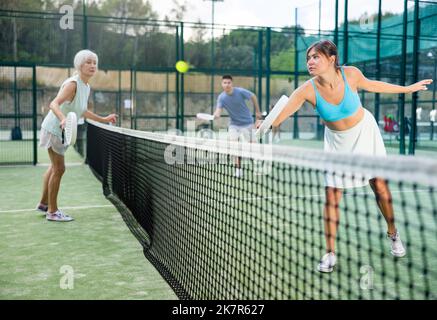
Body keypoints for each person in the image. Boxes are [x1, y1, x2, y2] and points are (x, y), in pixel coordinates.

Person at [268, 40, 432, 273]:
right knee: (332, 195)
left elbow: (374, 85)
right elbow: (278, 117)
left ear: (331, 59)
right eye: (308, 58)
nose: (310, 62)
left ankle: (393, 234)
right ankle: (330, 253)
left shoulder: (351, 74)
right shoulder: (306, 89)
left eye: (315, 57)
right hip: (336, 143)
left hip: (365, 132)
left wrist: (407, 89)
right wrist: (263, 124)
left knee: (380, 186)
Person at [36, 49, 117, 222]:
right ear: (79, 65)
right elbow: (54, 103)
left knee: (53, 167)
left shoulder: (86, 86)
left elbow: (82, 111)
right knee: (59, 168)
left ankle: (44, 204)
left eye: (94, 62)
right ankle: (52, 211)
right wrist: (63, 119)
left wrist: (103, 119)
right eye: (88, 62)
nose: (92, 65)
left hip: (61, 130)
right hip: (54, 129)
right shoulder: (73, 84)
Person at [213, 75, 262, 177]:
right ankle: (238, 169)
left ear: (232, 83)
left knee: (254, 147)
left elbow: (253, 96)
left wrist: (257, 111)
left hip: (247, 122)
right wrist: (216, 115)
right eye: (225, 83)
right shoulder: (221, 97)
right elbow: (218, 110)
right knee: (234, 147)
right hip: (234, 125)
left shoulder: (240, 91)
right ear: (222, 84)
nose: (227, 85)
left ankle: (258, 166)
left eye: (229, 83)